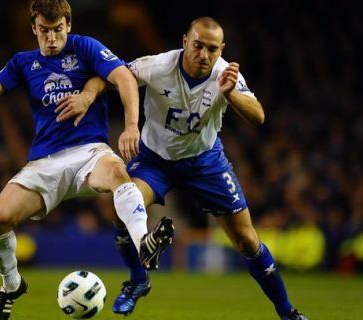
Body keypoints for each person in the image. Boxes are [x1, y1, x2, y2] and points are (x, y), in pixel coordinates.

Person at [0, 1, 173, 319]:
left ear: (68, 25)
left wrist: (128, 126)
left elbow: (124, 77)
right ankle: (12, 284)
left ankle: (144, 242)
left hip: (89, 152)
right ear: (34, 29)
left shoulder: (85, 47)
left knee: (118, 175)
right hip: (44, 163)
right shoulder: (22, 63)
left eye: (58, 29)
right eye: (44, 30)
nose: (52, 38)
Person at [109, 17, 309, 320]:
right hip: (155, 159)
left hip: (205, 162)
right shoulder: (158, 65)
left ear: (221, 50)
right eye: (198, 45)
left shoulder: (224, 73)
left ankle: (288, 313)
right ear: (185, 40)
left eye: (212, 49)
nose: (203, 54)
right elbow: (114, 75)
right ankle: (138, 281)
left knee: (247, 240)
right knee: (122, 208)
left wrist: (231, 94)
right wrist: (89, 97)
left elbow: (258, 116)